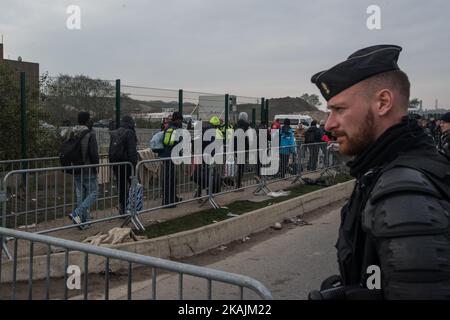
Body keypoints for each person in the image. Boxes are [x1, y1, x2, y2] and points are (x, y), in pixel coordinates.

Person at [308, 44, 450, 300]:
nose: (329, 124)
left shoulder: (403, 191)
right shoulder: (385, 170)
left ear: (383, 103)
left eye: (339, 109)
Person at [67, 111, 99, 229]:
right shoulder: (90, 133)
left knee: (81, 195)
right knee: (94, 193)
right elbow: (94, 153)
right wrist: (96, 167)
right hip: (88, 169)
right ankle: (77, 213)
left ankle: (82, 222)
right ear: (87, 120)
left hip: (76, 168)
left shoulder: (73, 132)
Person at [109, 115, 138, 216]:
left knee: (121, 186)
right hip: (128, 164)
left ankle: (123, 208)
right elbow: (132, 150)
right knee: (134, 186)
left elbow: (110, 149)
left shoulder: (115, 132)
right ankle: (133, 208)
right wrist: (134, 163)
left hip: (117, 164)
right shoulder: (130, 133)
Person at [160, 111, 184, 208]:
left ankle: (172, 198)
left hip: (168, 156)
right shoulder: (174, 129)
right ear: (177, 119)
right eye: (180, 120)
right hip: (171, 156)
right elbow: (177, 144)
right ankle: (167, 202)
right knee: (169, 179)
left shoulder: (168, 127)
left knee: (171, 178)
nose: (181, 122)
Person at [234, 112, 250, 188]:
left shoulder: (236, 126)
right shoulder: (244, 127)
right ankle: (238, 184)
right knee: (241, 167)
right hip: (242, 149)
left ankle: (238, 183)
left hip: (238, 149)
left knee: (240, 167)